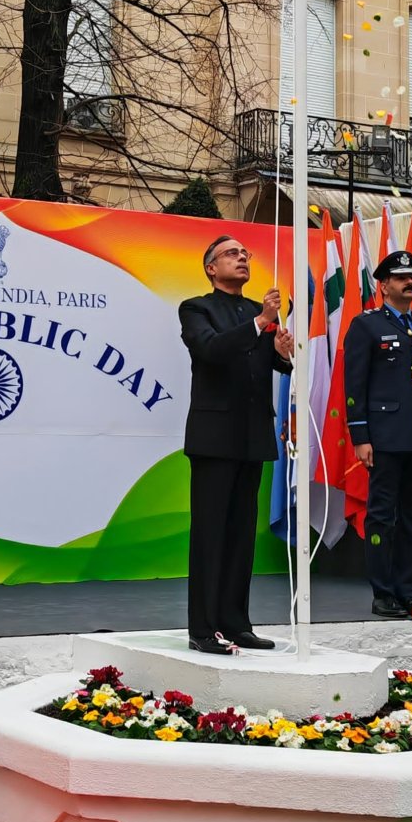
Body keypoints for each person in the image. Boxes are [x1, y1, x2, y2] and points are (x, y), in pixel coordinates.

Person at [179, 235, 294, 654]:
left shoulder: (256, 313)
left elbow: (266, 364)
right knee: (210, 533)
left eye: (246, 253)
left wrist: (282, 354)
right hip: (214, 437)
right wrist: (261, 325)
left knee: (242, 534)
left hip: (252, 435)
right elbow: (210, 350)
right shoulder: (196, 308)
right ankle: (203, 629)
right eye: (232, 253)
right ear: (211, 267)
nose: (242, 257)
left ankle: (236, 621)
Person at [344, 248, 412, 620]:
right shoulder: (366, 325)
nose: (409, 283)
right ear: (383, 285)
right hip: (384, 436)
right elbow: (354, 382)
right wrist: (360, 435)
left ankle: (407, 593)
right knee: (382, 516)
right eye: (401, 278)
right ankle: (382, 593)